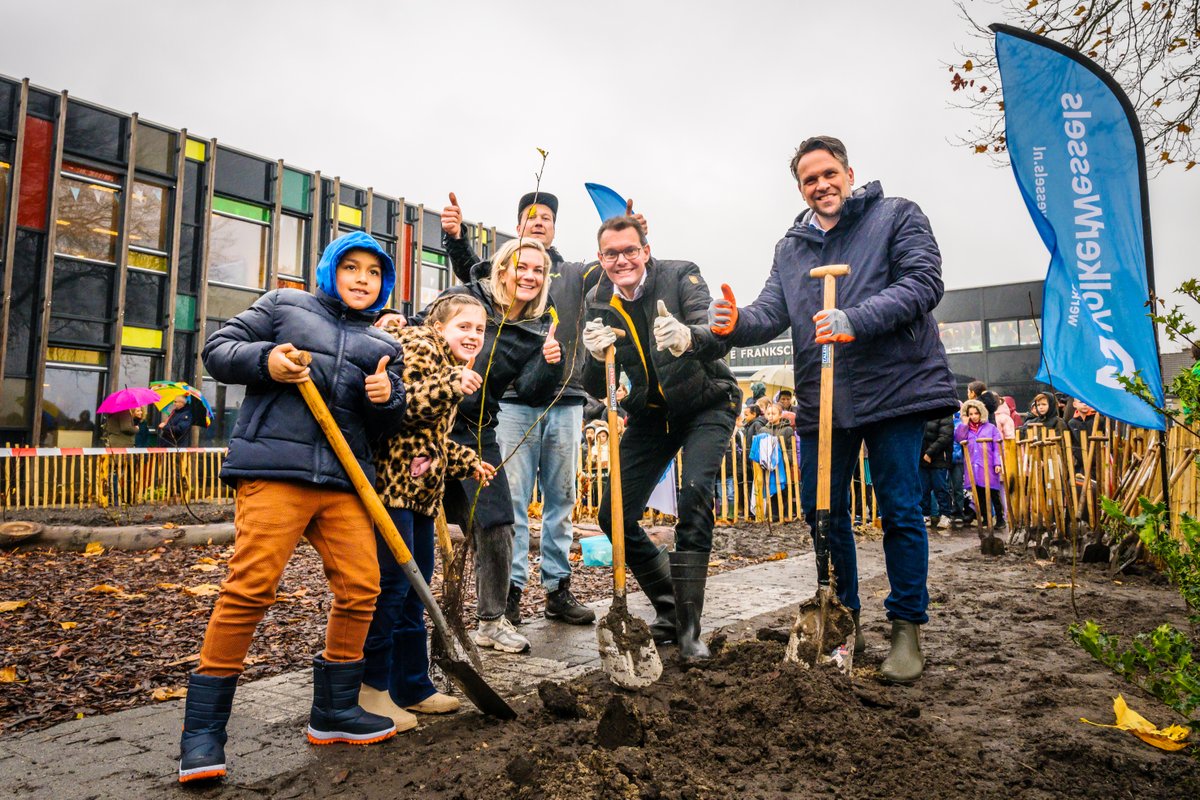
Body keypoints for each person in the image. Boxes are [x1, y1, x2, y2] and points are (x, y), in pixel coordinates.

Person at [708, 135, 959, 683]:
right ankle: (843, 618)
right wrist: (733, 323)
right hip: (824, 397)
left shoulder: (896, 216)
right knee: (822, 512)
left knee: (899, 509)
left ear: (849, 173)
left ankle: (906, 630)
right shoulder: (791, 247)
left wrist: (856, 319)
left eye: (828, 174)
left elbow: (923, 283)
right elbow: (771, 311)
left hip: (895, 388)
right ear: (799, 188)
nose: (821, 185)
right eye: (808, 179)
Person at [181, 231, 408, 783]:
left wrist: (387, 400)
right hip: (275, 473)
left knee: (362, 588)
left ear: (385, 284)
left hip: (345, 480)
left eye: (373, 273)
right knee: (250, 586)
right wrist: (267, 360)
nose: (362, 279)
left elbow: (387, 425)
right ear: (330, 271)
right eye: (351, 268)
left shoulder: (384, 347)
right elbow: (217, 351)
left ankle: (334, 710)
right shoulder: (284, 307)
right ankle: (203, 733)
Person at [441, 191, 645, 627]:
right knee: (511, 500)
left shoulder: (572, 274)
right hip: (512, 403)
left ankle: (557, 588)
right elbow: (476, 278)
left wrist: (629, 232)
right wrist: (456, 238)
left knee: (561, 500)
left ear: (555, 228)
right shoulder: (510, 274)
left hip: (567, 400)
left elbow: (615, 267)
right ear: (517, 227)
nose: (538, 223)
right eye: (530, 217)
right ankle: (510, 592)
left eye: (547, 218)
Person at [582, 216, 739, 664]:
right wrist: (595, 354)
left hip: (707, 403)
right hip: (652, 414)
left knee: (693, 496)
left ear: (645, 251)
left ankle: (689, 631)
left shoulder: (681, 275)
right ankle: (671, 608)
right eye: (611, 254)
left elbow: (718, 337)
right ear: (601, 259)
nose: (622, 260)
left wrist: (689, 337)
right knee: (614, 513)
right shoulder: (600, 301)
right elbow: (597, 383)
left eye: (630, 250)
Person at [362, 293, 497, 729]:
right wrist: (451, 385)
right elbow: (399, 407)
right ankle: (372, 690)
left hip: (419, 495)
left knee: (416, 587)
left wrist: (467, 462)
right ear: (439, 327)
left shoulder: (448, 360)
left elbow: (429, 441)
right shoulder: (420, 345)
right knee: (393, 588)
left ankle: (412, 686)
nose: (473, 335)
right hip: (392, 491)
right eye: (464, 326)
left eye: (479, 329)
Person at [424, 237, 563, 654]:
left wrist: (549, 362)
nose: (530, 275)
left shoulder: (535, 330)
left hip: (477, 430)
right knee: (413, 521)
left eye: (539, 270)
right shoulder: (465, 298)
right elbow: (420, 329)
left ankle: (490, 621)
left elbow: (532, 391)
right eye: (522, 266)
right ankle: (406, 615)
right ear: (502, 268)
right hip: (428, 421)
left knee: (498, 521)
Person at [955, 399, 1006, 530]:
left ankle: (1000, 519)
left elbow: (997, 447)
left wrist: (997, 463)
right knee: (979, 494)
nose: (973, 417)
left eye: (976, 413)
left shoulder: (991, 428)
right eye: (970, 414)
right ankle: (985, 518)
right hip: (973, 466)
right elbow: (959, 438)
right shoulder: (966, 429)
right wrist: (964, 424)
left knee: (993, 493)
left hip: (988, 466)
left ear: (981, 413)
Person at [919, 415, 954, 529]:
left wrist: (930, 453)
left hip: (939, 458)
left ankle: (945, 515)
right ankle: (925, 514)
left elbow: (945, 436)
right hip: (921, 458)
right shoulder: (921, 412)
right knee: (923, 488)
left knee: (940, 488)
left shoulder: (944, 414)